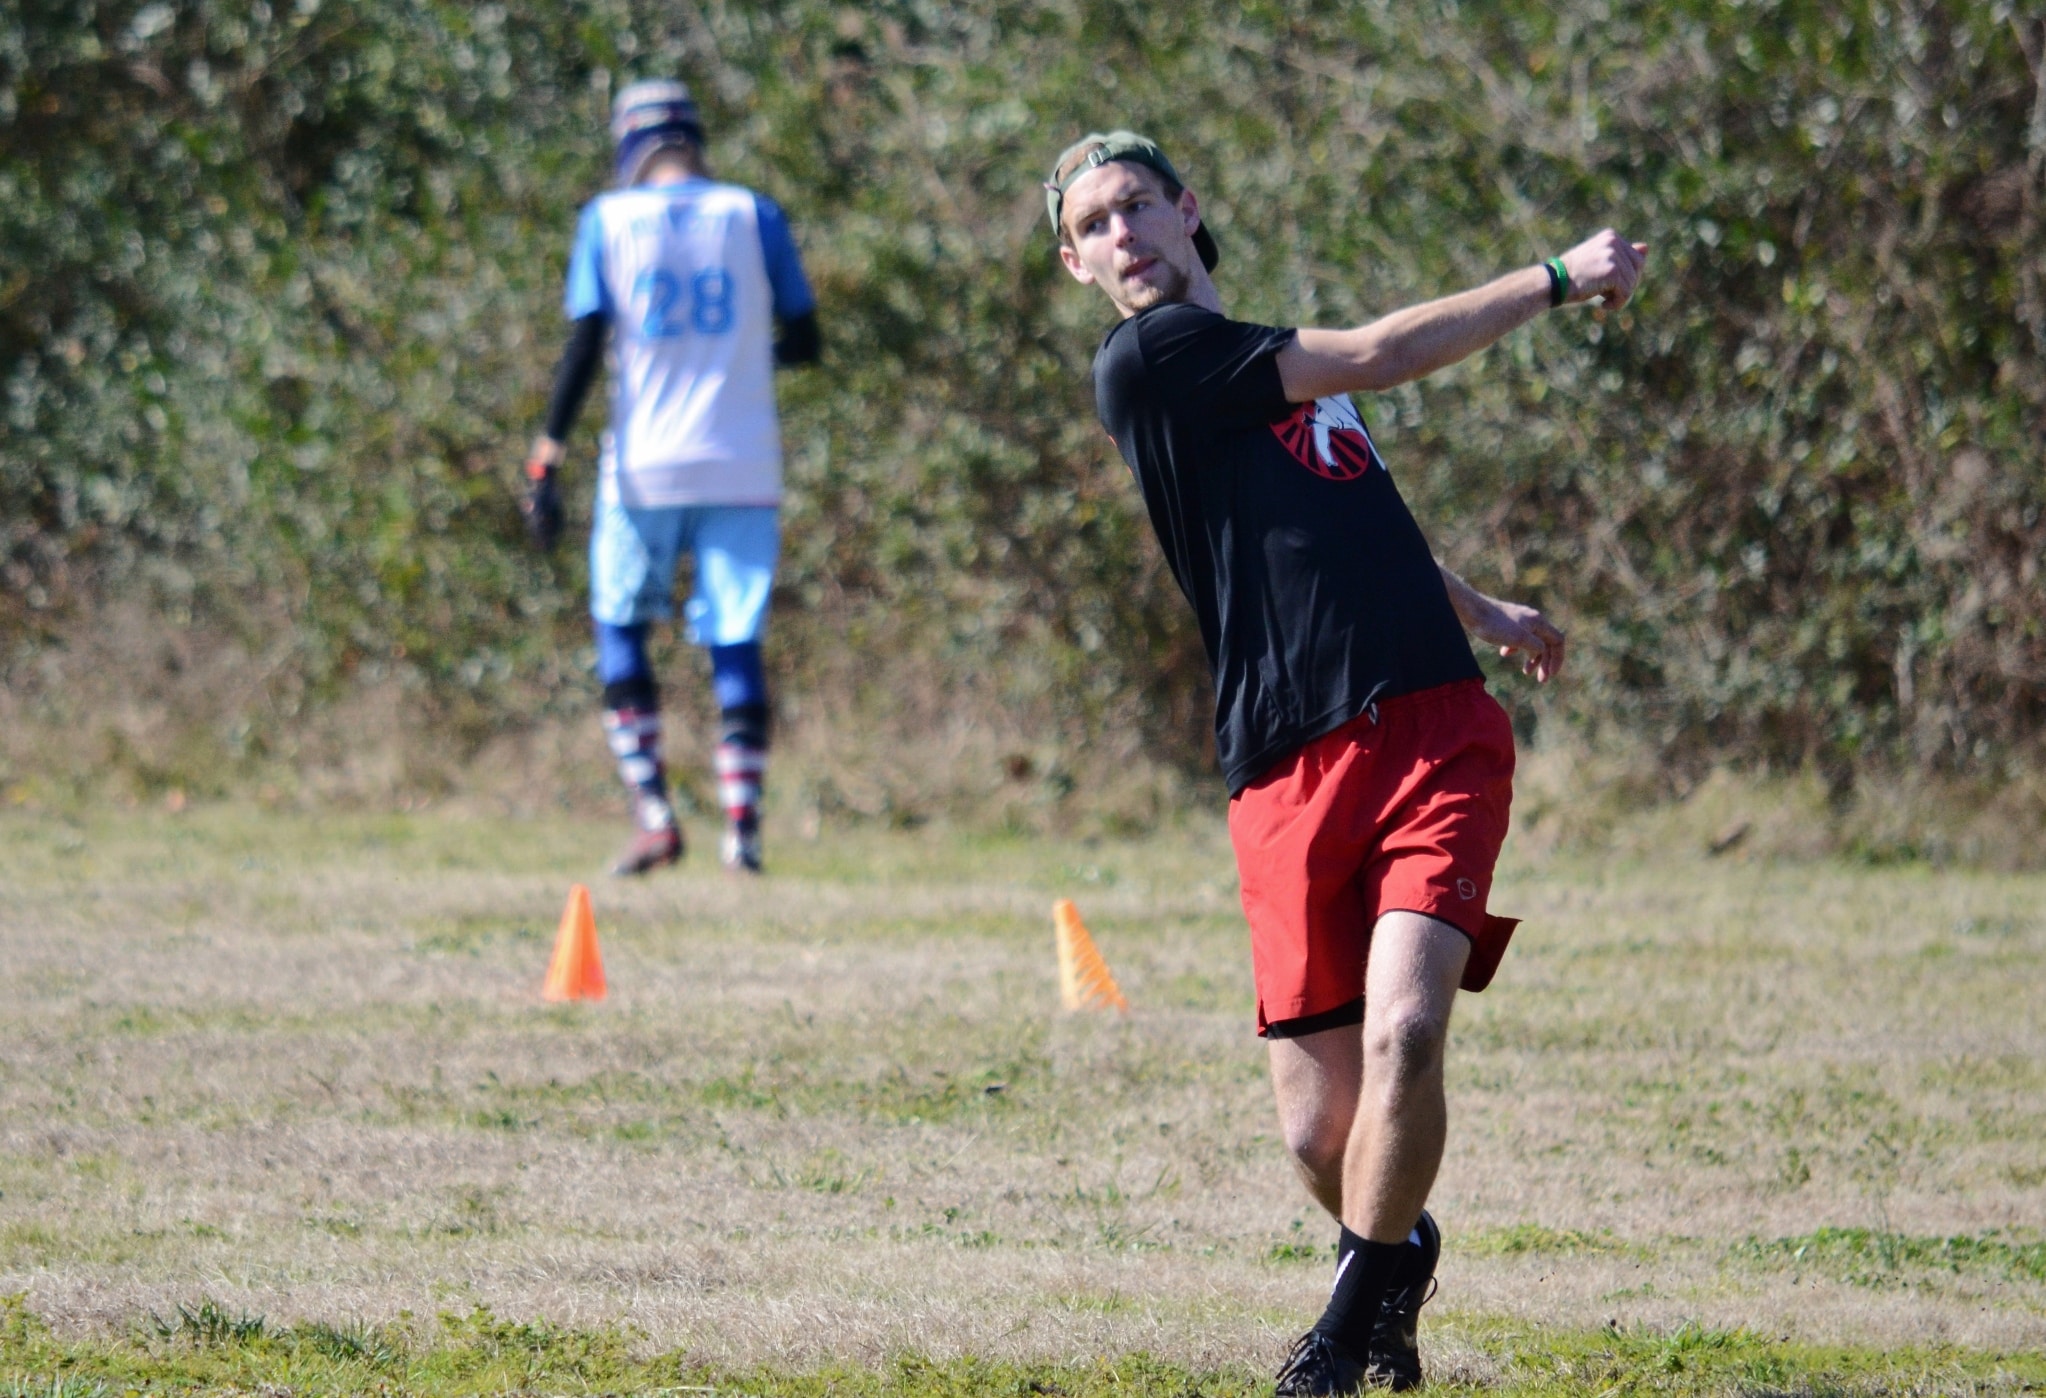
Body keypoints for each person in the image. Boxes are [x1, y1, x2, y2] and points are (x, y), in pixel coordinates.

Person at [1044, 131, 1645, 1393]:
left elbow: (1352, 514)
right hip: (1279, 765)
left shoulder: (1269, 369)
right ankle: (1395, 1255)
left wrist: (1486, 615)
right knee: (1320, 1133)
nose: (1124, 236)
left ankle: (1335, 1344)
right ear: (1076, 262)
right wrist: (1556, 276)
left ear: (1188, 209)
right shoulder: (1150, 361)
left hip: (1432, 723)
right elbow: (1381, 349)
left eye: (1139, 206)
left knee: (1408, 1037)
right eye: (1095, 225)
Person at [523, 79, 820, 876]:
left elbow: (583, 348)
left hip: (645, 464)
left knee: (619, 623)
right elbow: (807, 338)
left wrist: (545, 456)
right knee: (735, 635)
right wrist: (741, 359)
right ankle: (743, 832)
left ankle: (654, 813)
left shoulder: (606, 221)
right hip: (743, 455)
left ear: (627, 144)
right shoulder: (754, 214)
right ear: (696, 137)